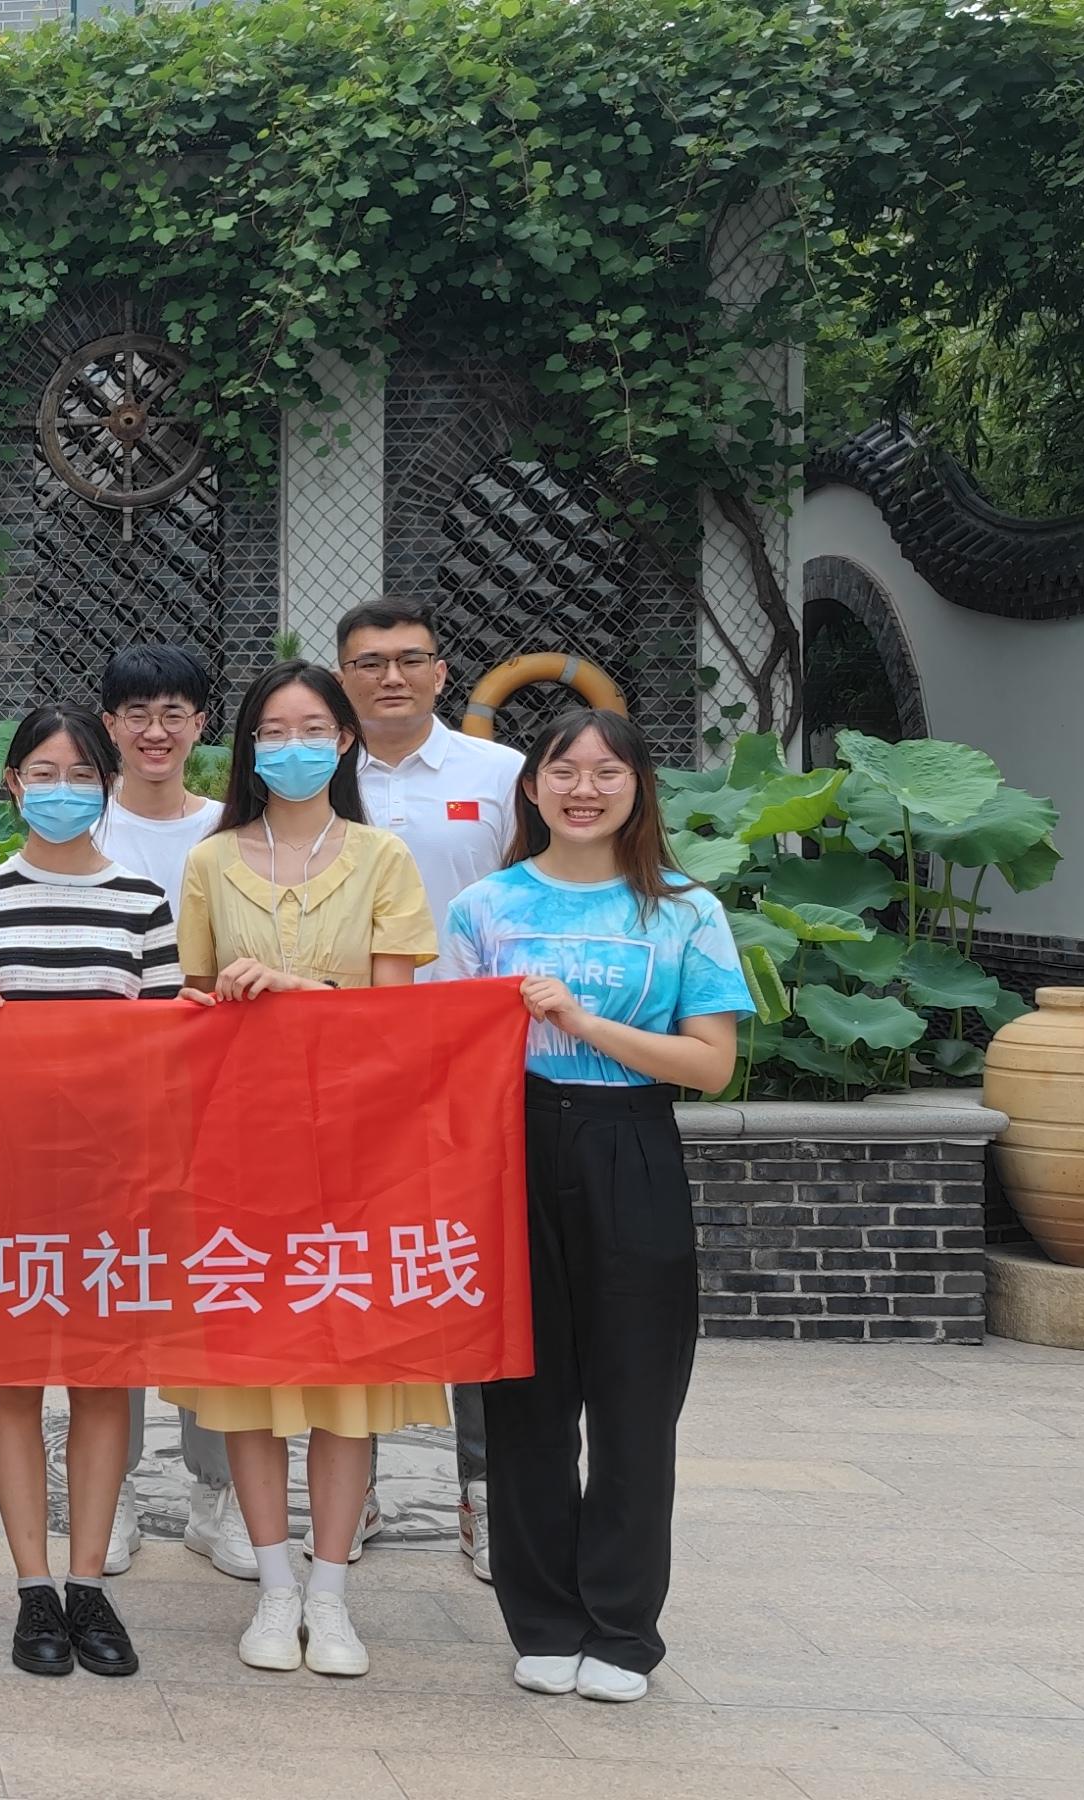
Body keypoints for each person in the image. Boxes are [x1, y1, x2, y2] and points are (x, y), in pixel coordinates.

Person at [444, 710, 744, 1706]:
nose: (584, 789)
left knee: (634, 1400)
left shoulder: (686, 910)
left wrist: (580, 1020)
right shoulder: (484, 907)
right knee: (524, 1396)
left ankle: (621, 1629)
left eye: (606, 771)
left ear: (637, 787)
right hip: (512, 1148)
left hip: (631, 1144)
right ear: (530, 788)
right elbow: (440, 1046)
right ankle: (542, 1621)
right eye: (563, 771)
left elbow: (709, 1064)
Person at [163, 661, 443, 1679]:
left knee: (343, 1377)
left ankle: (330, 1593)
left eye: (312, 728)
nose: (292, 747)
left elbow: (398, 1019)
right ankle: (273, 1584)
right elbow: (191, 1006)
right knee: (250, 1372)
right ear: (247, 746)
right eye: (272, 731)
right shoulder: (209, 861)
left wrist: (299, 991)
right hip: (240, 1150)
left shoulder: (382, 859)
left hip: (356, 1153)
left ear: (343, 742)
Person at [0, 706, 192, 1679]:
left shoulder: (141, 902)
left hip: (111, 1181)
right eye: (41, 773)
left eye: (80, 773)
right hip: (2, 1177)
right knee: (11, 1381)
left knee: (101, 1380)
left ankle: (90, 1585)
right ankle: (32, 1587)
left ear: (107, 784)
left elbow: (164, 1053)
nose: (61, 790)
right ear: (11, 785)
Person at [336, 600, 528, 1585]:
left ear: (442, 673)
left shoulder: (500, 776)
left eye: (409, 659)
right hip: (349, 1067)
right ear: (343, 676)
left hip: (475, 1065)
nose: (390, 677)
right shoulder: (319, 777)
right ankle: (351, 1491)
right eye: (369, 663)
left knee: (473, 1270)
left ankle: (484, 1496)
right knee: (355, 1271)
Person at [91, 644, 231, 1582]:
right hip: (105, 1106)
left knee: (207, 1291)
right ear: (109, 726)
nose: (155, 731)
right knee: (116, 1291)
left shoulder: (230, 830)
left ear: (200, 725)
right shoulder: (81, 826)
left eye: (174, 712)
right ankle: (115, 1493)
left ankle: (215, 1492)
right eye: (136, 714)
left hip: (215, 1101)